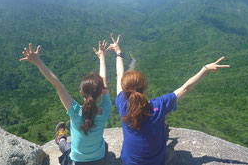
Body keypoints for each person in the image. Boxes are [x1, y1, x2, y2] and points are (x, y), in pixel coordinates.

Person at [108, 34, 230, 165]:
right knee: (178, 149)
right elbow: (186, 88)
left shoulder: (122, 104)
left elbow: (120, 74)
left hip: (128, 161)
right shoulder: (158, 106)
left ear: (124, 89)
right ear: (145, 87)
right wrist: (204, 70)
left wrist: (118, 53)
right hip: (156, 162)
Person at [20, 41, 112, 165]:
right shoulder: (106, 109)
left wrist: (38, 62)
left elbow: (56, 84)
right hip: (100, 159)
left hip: (76, 161)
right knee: (104, 144)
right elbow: (104, 82)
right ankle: (68, 133)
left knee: (67, 147)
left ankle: (61, 138)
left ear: (81, 92)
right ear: (101, 92)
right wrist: (102, 57)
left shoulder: (75, 111)